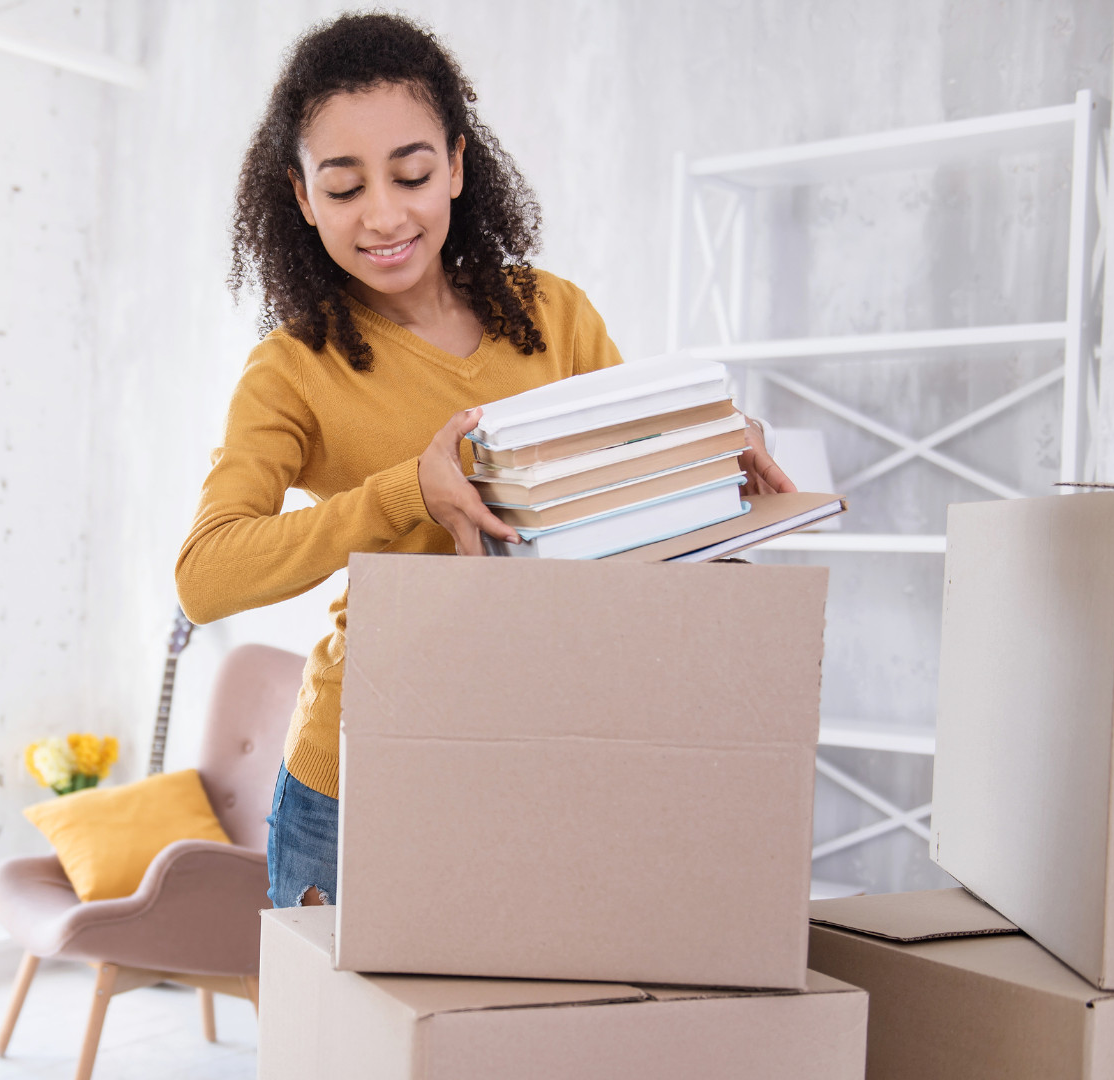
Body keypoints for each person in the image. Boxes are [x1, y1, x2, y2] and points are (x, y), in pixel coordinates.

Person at [174, 12, 793, 910]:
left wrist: (711, 460)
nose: (384, 214)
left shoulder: (556, 315)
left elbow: (629, 518)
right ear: (301, 198)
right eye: (344, 189)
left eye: (413, 174)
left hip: (547, 744)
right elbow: (204, 577)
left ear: (457, 166)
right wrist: (404, 493)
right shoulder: (292, 370)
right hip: (359, 772)